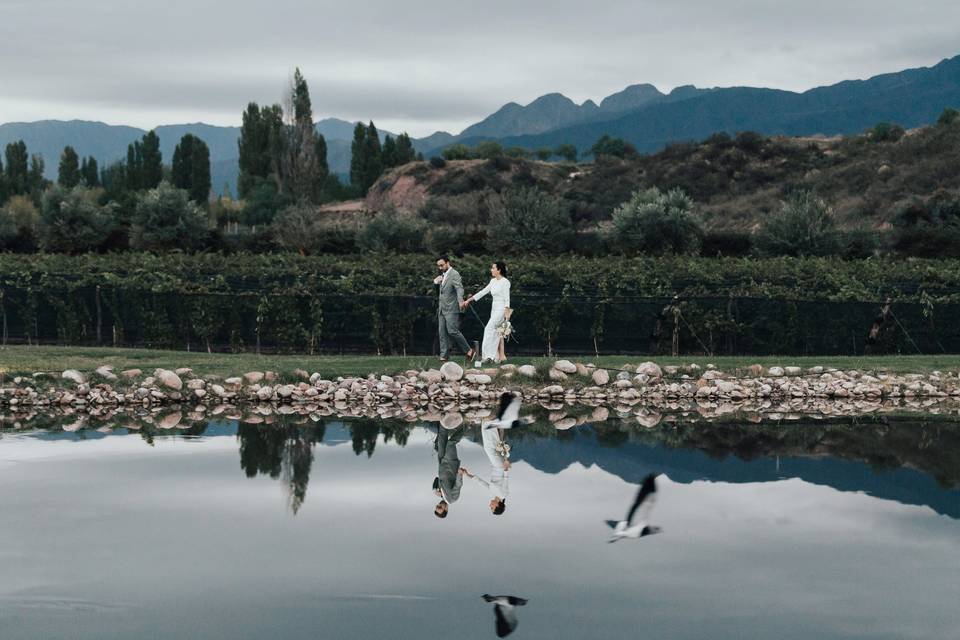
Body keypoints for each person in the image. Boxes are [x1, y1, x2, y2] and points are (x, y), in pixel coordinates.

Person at [462, 261, 512, 363]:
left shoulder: (505, 282)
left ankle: (486, 357)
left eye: (493, 268)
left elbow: (507, 299)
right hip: (494, 309)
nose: (491, 270)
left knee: (489, 329)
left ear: (499, 270)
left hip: (502, 309)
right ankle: (494, 357)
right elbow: (482, 292)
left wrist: (507, 316)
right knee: (497, 333)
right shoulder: (493, 281)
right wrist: (468, 300)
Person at [461, 422, 510, 515]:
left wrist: (467, 475)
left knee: (493, 446)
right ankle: (488, 422)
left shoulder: (493, 495)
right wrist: (506, 463)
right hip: (500, 466)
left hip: (495, 466)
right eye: (492, 507)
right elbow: (506, 479)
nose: (490, 506)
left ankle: (489, 423)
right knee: (488, 448)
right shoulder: (504, 494)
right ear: (498, 506)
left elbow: (482, 483)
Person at [434, 255, 476, 363]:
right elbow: (442, 292)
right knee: (442, 332)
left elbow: (459, 288)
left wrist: (460, 301)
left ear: (448, 263)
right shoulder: (442, 275)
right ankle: (444, 356)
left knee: (452, 331)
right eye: (438, 266)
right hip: (442, 309)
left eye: (442, 265)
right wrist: (436, 283)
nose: (440, 268)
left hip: (452, 308)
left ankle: (469, 350)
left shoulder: (454, 274)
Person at [433, 425, 466, 518]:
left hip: (442, 462)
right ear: (446, 509)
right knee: (451, 443)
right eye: (440, 507)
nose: (438, 505)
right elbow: (458, 485)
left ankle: (444, 420)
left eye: (436, 506)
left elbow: (436, 479)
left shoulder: (441, 495)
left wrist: (434, 490)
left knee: (442, 438)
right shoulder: (452, 499)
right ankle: (467, 425)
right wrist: (460, 474)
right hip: (451, 463)